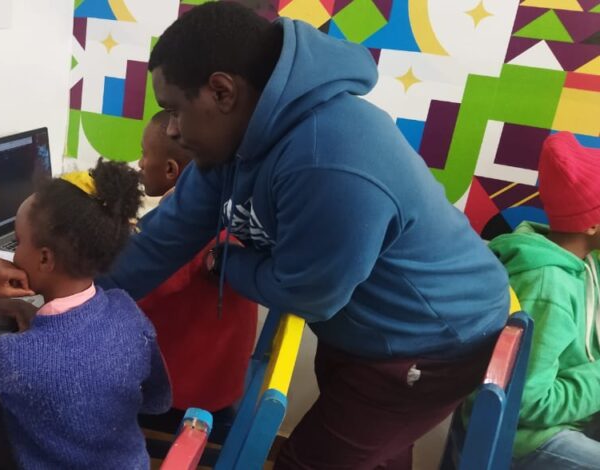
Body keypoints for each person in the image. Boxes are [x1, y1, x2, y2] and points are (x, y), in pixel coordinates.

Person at [97, 3, 511, 468]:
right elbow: (160, 240)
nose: (171, 128)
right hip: (369, 330)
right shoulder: (231, 143)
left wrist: (229, 263)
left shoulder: (328, 156)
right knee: (376, 453)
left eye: (175, 110)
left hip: (431, 340)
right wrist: (63, 300)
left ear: (221, 91)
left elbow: (310, 294)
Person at [0, 160, 171, 469]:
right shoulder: (125, 310)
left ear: (45, 258)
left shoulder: (19, 357)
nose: (13, 252)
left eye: (18, 241)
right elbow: (158, 401)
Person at [135, 110, 258, 442]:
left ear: (172, 170)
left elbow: (136, 295)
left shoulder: (187, 236)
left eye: (144, 154)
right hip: (221, 387)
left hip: (188, 400)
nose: (139, 163)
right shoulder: (229, 218)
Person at [487, 132, 600, 469]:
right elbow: (526, 403)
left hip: (571, 412)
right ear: (591, 224)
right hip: (525, 438)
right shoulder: (547, 285)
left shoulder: (585, 263)